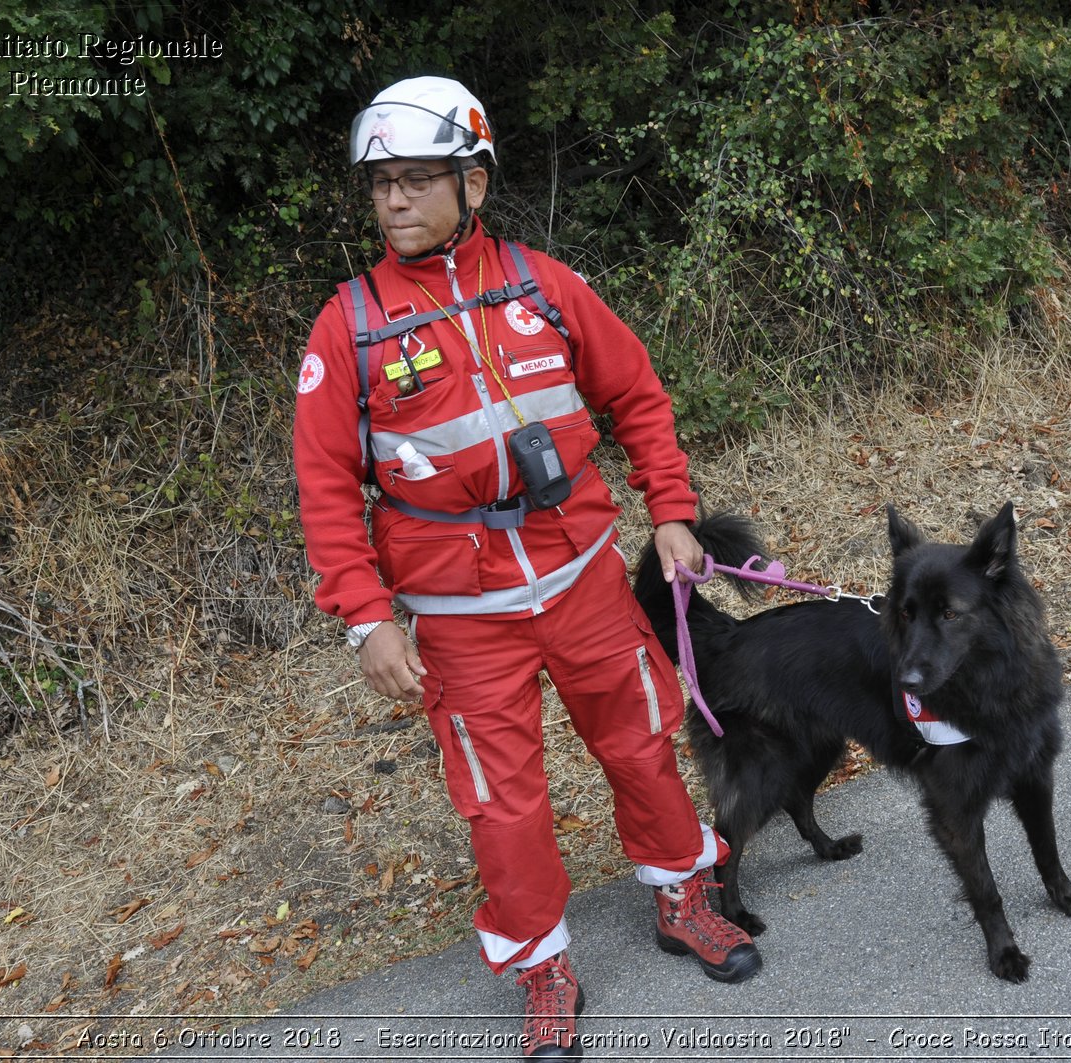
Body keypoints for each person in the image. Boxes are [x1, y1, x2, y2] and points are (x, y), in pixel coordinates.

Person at [292, 76, 761, 1059]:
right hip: (460, 615)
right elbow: (326, 489)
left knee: (641, 739)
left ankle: (686, 892)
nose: (392, 200)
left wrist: (670, 512)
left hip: (582, 576)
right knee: (501, 798)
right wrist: (367, 617)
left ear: (474, 182)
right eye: (379, 183)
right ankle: (542, 964)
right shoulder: (351, 327)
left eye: (417, 179)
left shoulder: (544, 286)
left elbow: (635, 395)